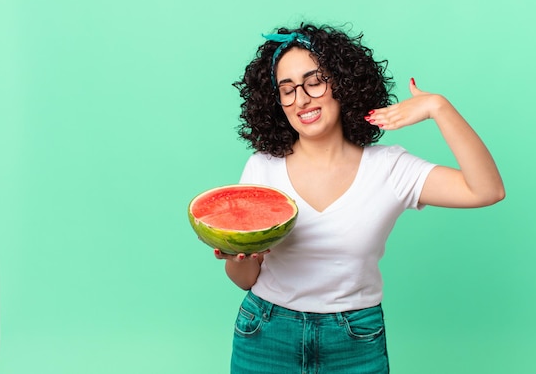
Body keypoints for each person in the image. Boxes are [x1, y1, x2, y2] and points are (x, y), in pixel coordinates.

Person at [213, 23, 505, 373]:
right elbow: (245, 277)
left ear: (341, 82)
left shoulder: (390, 168)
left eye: (314, 81)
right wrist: (236, 255)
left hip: (354, 340)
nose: (301, 99)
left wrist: (439, 108)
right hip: (265, 331)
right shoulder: (262, 167)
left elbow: (487, 190)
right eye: (287, 89)